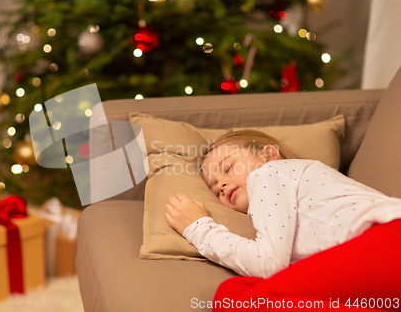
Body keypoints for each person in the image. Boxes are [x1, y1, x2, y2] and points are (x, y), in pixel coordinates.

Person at [165, 130, 401, 311]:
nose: (222, 185)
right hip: (376, 259)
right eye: (215, 189)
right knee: (236, 293)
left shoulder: (269, 173)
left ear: (268, 155)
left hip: (387, 238)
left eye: (228, 167)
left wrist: (198, 229)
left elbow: (268, 263)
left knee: (234, 297)